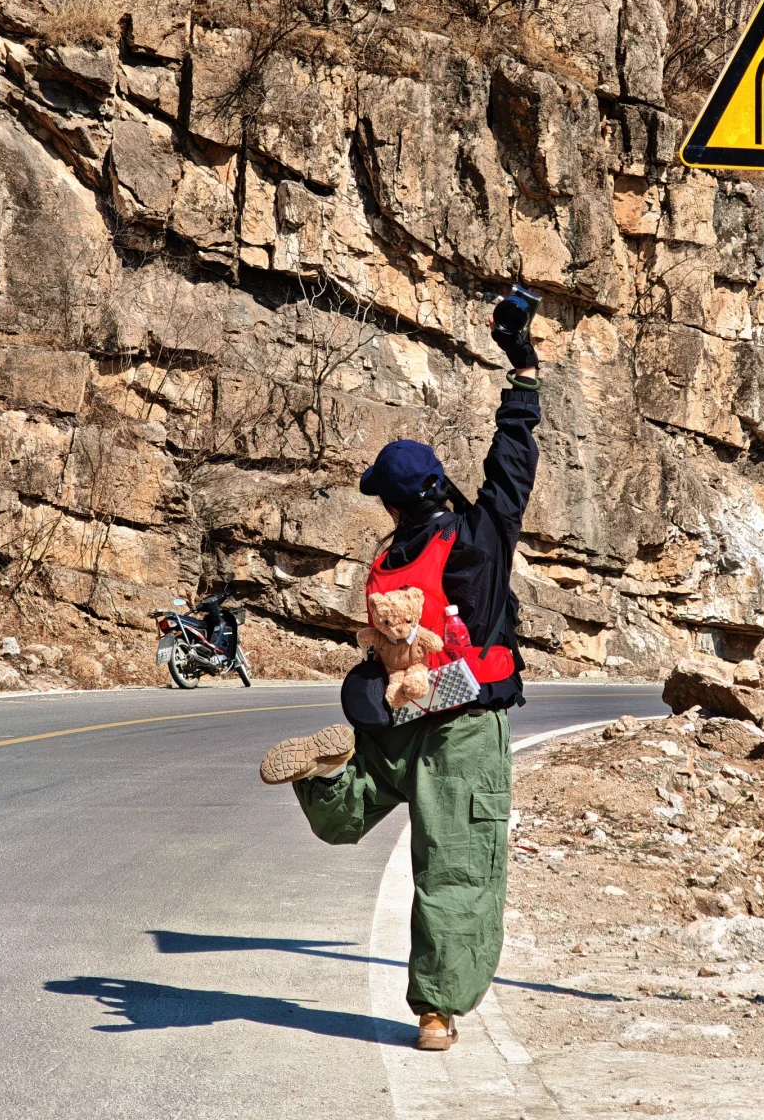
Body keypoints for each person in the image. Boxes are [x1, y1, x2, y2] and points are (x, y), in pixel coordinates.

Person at [259, 307, 541, 1051]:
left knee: (347, 813)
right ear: (439, 486)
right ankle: (437, 1012)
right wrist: (522, 374)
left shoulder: (390, 560)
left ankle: (324, 777)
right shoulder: (479, 537)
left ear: (390, 502)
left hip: (392, 714)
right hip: (463, 719)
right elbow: (513, 465)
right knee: (456, 869)